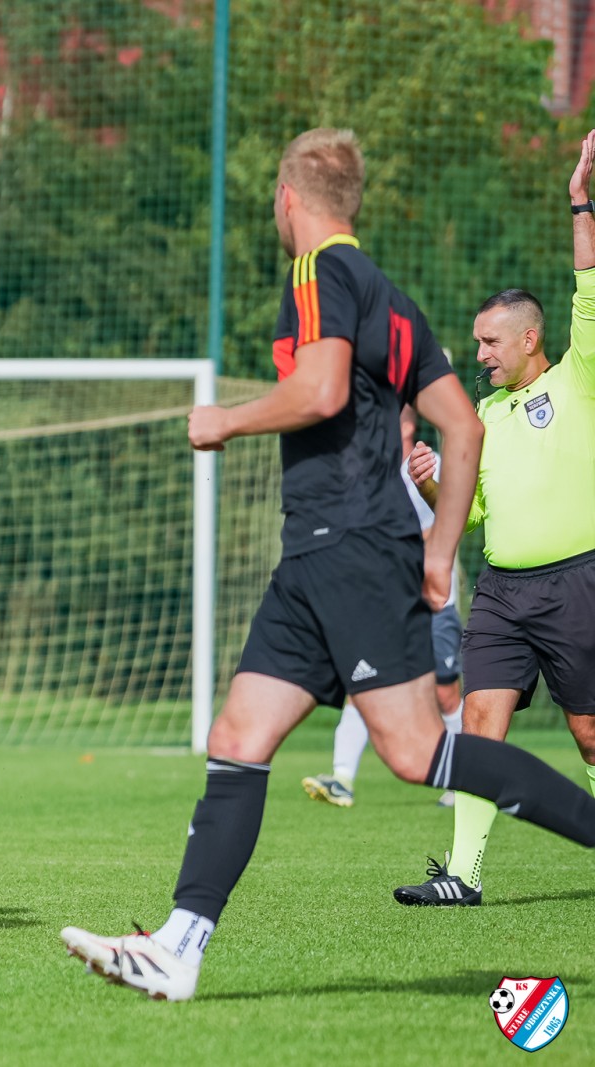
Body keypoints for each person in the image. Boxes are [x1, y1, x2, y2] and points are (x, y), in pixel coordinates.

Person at [59, 128, 595, 1002]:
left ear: (288, 199)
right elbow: (462, 426)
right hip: (318, 553)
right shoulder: (390, 297)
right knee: (238, 738)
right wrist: (439, 549)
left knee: (419, 751)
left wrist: (225, 419)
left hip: (349, 545)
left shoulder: (317, 272)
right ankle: (178, 948)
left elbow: (322, 391)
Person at [390, 130, 595, 906]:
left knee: (589, 732)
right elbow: (470, 513)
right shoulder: (480, 416)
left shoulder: (579, 377)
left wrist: (580, 201)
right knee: (480, 721)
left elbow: (589, 289)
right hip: (504, 592)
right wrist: (436, 481)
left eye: (489, 340)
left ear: (529, 337)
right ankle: (463, 874)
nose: (479, 353)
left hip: (577, 585)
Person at [302, 405, 464, 808]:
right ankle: (341, 778)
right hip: (383, 602)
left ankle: (460, 782)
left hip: (433, 601)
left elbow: (447, 525)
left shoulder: (430, 465)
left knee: (445, 692)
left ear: (407, 424)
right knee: (362, 684)